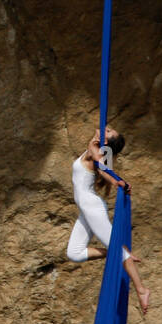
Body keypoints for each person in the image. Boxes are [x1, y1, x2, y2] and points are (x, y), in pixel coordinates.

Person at [65, 126, 151, 314]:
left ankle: (142, 289)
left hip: (92, 207)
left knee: (120, 253)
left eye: (109, 131)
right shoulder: (96, 149)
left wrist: (116, 181)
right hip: (86, 210)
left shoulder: (94, 149)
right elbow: (103, 169)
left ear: (106, 143)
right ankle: (118, 252)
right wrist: (114, 179)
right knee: (74, 253)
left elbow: (102, 166)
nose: (105, 128)